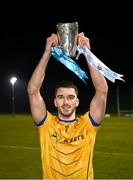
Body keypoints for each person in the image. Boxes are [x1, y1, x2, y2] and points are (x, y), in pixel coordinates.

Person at [27, 32, 108, 179]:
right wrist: (47, 53)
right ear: (55, 102)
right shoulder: (46, 124)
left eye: (70, 97)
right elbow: (33, 91)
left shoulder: (88, 124)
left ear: (77, 101)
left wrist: (87, 52)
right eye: (61, 97)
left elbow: (102, 90)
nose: (66, 102)